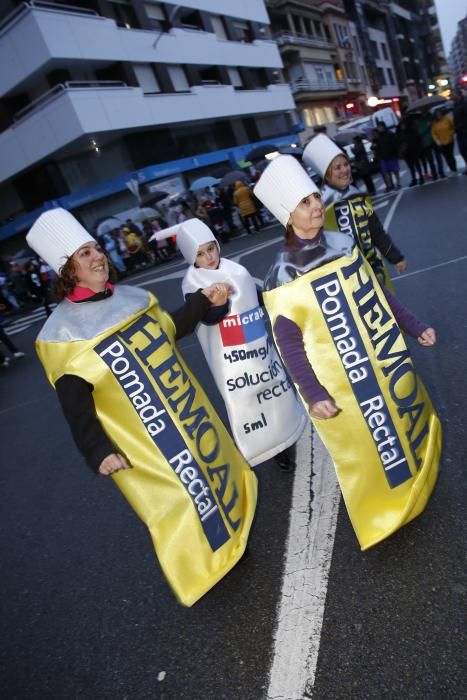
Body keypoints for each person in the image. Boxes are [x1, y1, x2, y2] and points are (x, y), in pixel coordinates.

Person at [26, 208, 257, 607]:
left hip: (183, 413)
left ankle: (231, 545)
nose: (98, 256)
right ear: (67, 271)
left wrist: (206, 302)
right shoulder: (61, 334)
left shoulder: (133, 297)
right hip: (145, 437)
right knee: (180, 498)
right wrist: (97, 450)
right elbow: (74, 403)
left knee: (209, 473)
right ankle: (202, 568)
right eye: (84, 253)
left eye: (97, 248)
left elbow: (172, 328)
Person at [253, 155, 441, 550]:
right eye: (304, 202)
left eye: (315, 196)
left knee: (401, 424)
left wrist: (414, 325)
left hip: (380, 359)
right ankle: (385, 510)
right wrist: (314, 392)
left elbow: (378, 293)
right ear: (288, 215)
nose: (317, 204)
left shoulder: (342, 244)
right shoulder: (281, 274)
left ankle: (414, 487)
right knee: (367, 446)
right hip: (341, 381)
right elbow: (288, 344)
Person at [176, 218, 306, 471]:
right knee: (247, 401)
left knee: (273, 391)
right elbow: (209, 317)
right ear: (192, 257)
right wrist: (221, 303)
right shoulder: (192, 283)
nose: (209, 257)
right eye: (200, 254)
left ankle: (283, 442)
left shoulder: (235, 270)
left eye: (211, 248)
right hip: (231, 360)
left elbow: (254, 296)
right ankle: (265, 446)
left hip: (257, 346)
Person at [303, 133, 406, 290]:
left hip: (373, 268)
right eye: (337, 167)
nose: (344, 170)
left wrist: (396, 257)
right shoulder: (318, 207)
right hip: (345, 279)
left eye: (346, 164)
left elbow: (376, 231)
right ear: (326, 175)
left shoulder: (358, 196)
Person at [372, 121, 401, 191]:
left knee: (395, 170)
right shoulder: (379, 137)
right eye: (378, 127)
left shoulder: (390, 134)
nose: (379, 128)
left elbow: (396, 143)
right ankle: (390, 185)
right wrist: (374, 140)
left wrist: (394, 151)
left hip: (391, 155)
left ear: (383, 126)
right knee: (386, 171)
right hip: (383, 156)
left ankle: (398, 183)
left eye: (380, 127)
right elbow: (375, 146)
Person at [397, 118, 424, 187]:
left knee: (417, 165)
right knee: (411, 167)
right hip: (406, 153)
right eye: (401, 125)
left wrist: (417, 148)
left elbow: (417, 139)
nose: (402, 127)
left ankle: (421, 177)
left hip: (413, 151)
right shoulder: (400, 133)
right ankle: (414, 179)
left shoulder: (412, 131)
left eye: (403, 125)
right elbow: (399, 142)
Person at [431, 109, 457, 174]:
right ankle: (452, 169)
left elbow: (453, 126)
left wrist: (452, 133)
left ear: (442, 113)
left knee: (450, 155)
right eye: (437, 114)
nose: (438, 115)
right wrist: (437, 140)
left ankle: (454, 168)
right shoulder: (434, 123)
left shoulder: (447, 119)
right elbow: (433, 133)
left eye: (439, 114)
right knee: (446, 156)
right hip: (441, 142)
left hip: (450, 140)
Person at [451, 89, 467, 172]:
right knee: (462, 150)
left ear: (458, 94)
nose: (451, 96)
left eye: (453, 94)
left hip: (465, 129)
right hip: (459, 130)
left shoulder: (464, 102)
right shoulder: (454, 105)